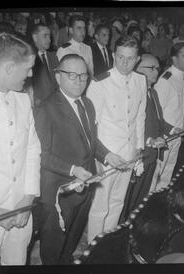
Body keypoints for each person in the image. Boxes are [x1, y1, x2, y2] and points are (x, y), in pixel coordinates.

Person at [33, 54, 125, 264]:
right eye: (72, 75)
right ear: (58, 77)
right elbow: (42, 155)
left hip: (84, 186)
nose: (79, 81)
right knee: (53, 247)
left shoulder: (87, 104)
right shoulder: (45, 109)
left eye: (83, 76)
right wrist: (73, 169)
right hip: (59, 191)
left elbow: (90, 142)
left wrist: (108, 156)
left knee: (71, 243)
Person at [0, 32, 41, 265]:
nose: (31, 74)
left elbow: (33, 150)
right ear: (10, 67)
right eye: (28, 68)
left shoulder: (21, 100)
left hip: (21, 211)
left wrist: (28, 197)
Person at [86, 36, 147, 243]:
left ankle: (107, 244)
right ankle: (93, 248)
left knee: (118, 202)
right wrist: (103, 156)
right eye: (120, 57)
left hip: (129, 154)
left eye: (130, 58)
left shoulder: (141, 80)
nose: (124, 63)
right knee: (100, 206)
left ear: (137, 59)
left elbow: (140, 115)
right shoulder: (100, 82)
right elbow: (90, 127)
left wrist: (138, 147)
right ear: (113, 55)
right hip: (107, 156)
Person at [119, 54, 172, 221]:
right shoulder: (133, 93)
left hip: (152, 153)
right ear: (137, 70)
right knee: (128, 198)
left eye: (158, 68)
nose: (157, 71)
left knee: (141, 196)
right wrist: (149, 140)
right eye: (152, 68)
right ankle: (121, 228)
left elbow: (158, 120)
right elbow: (130, 126)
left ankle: (131, 225)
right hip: (139, 155)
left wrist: (172, 129)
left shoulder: (153, 92)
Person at [154, 42, 184, 190]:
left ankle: (161, 202)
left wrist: (182, 129)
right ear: (174, 58)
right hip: (165, 136)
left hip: (178, 133)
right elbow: (157, 113)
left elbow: (183, 108)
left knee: (168, 172)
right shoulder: (165, 80)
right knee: (158, 174)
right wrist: (168, 132)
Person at [31, 23, 59, 107]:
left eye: (49, 36)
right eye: (45, 36)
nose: (49, 40)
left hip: (55, 104)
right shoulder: (29, 58)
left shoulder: (54, 56)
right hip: (38, 106)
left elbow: (59, 80)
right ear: (35, 37)